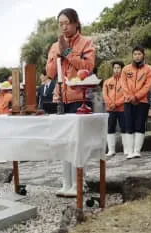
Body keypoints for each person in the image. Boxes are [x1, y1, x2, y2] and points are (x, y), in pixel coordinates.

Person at [46, 8, 96, 198]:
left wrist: (67, 52)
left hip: (78, 98)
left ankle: (78, 183)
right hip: (60, 97)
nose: (64, 27)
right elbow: (50, 73)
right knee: (63, 142)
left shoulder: (86, 43)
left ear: (75, 23)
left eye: (67, 23)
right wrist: (58, 52)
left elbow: (88, 67)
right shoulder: (54, 45)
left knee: (77, 142)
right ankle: (66, 183)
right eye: (60, 24)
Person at [120, 45, 151, 159]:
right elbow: (123, 85)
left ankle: (136, 151)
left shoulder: (148, 69)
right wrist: (130, 97)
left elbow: (147, 86)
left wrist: (137, 96)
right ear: (132, 55)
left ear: (143, 55)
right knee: (129, 125)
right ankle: (129, 151)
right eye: (135, 54)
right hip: (127, 101)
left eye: (139, 54)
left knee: (140, 125)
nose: (137, 56)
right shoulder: (125, 69)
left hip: (142, 101)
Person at [102, 61, 126, 156]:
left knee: (124, 128)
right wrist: (110, 103)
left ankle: (126, 149)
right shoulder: (107, 81)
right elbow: (105, 94)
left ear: (122, 69)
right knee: (110, 128)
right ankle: (111, 150)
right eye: (115, 68)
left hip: (122, 109)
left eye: (118, 68)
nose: (116, 70)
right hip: (110, 109)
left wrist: (117, 103)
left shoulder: (126, 82)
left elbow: (126, 95)